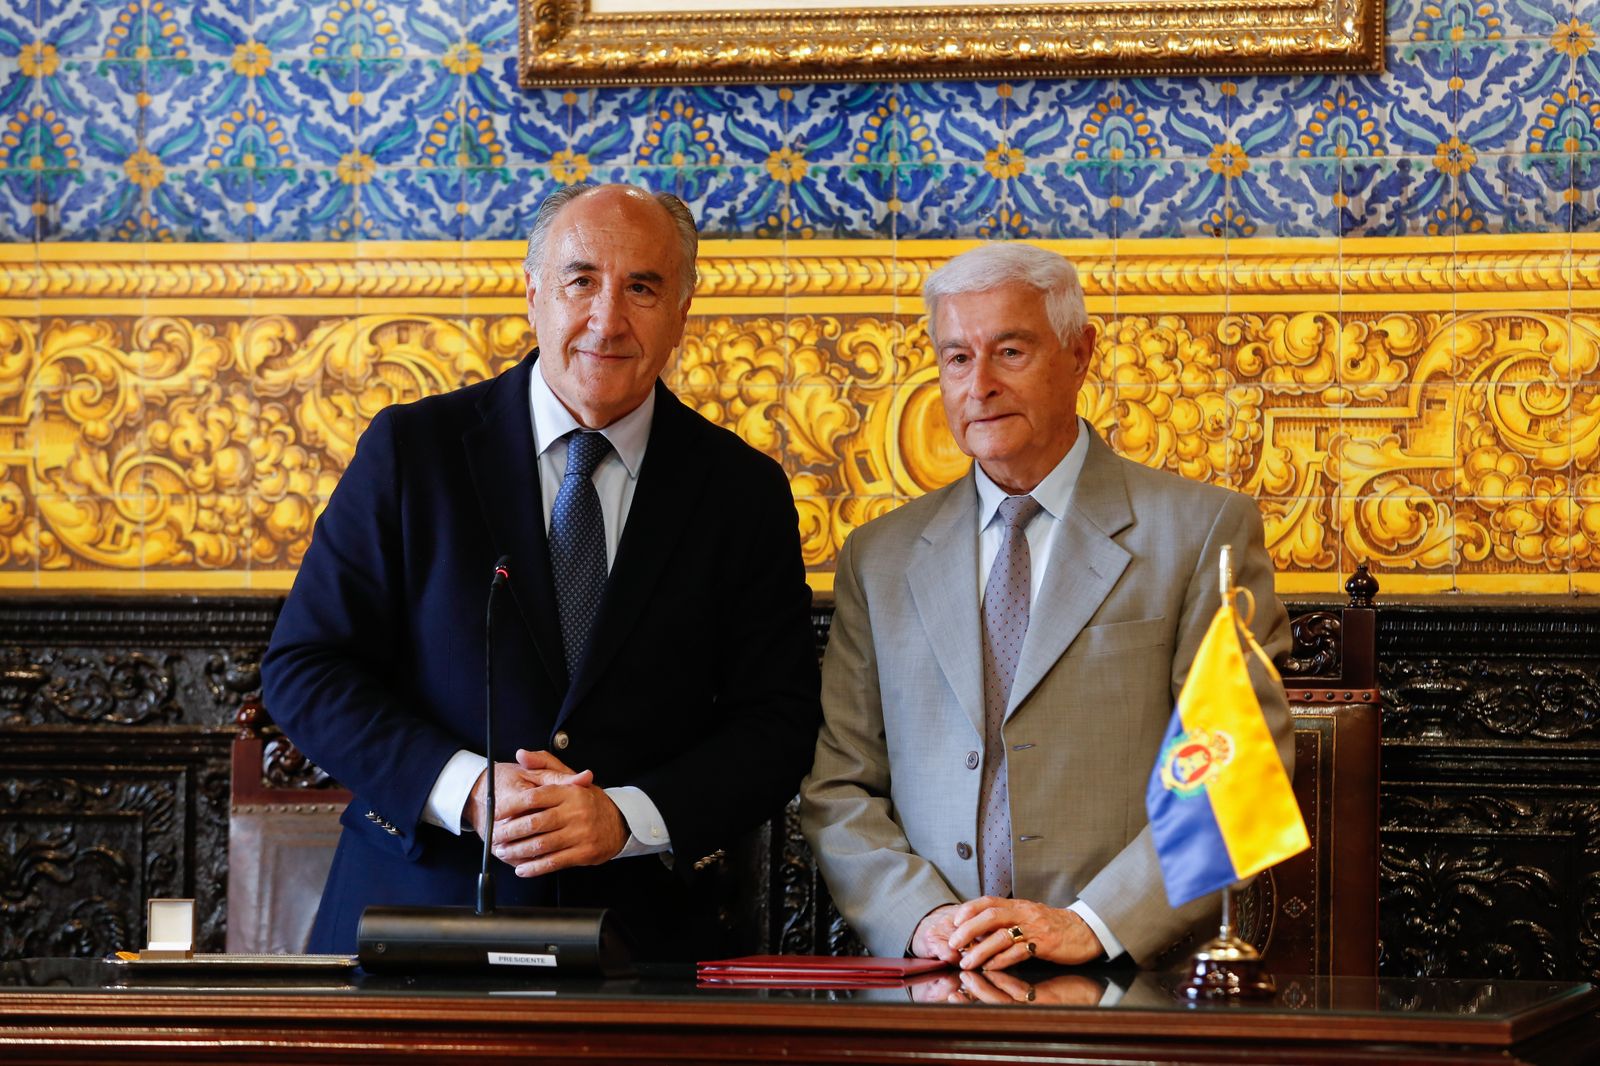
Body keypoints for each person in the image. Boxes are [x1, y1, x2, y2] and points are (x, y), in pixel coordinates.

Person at [261, 184, 821, 959]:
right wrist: (468, 790)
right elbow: (304, 668)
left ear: (683, 312)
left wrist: (626, 816)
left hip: (640, 943)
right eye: (581, 280)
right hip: (415, 922)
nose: (608, 319)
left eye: (644, 288)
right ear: (533, 294)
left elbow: (779, 724)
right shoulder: (413, 453)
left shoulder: (740, 491)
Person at [799, 243, 1292, 971]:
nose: (981, 384)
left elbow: (1235, 767)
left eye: (1010, 351)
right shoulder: (881, 556)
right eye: (957, 358)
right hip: (933, 984)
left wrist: (1093, 925)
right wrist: (925, 920)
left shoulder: (1198, 531)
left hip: (1126, 983)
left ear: (1080, 353)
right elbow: (841, 786)